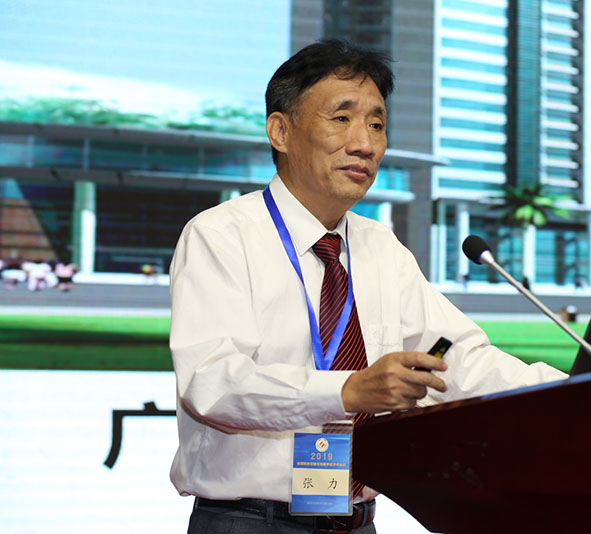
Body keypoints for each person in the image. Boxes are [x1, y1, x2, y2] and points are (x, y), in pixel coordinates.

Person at [169, 39, 567, 534]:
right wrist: (348, 390)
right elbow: (213, 384)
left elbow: (457, 357)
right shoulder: (222, 235)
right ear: (280, 131)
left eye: (377, 124)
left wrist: (577, 392)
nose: (364, 143)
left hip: (356, 521)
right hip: (252, 520)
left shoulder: (380, 247)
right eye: (341, 118)